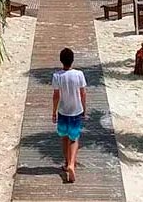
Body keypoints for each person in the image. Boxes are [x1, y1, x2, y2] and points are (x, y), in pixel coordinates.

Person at [52, 47, 87, 183]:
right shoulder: (79, 74)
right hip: (76, 110)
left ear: (61, 61)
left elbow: (56, 96)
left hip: (63, 111)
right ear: (72, 60)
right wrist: (84, 108)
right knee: (74, 138)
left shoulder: (57, 76)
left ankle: (67, 163)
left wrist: (53, 112)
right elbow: (83, 93)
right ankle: (72, 164)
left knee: (64, 138)